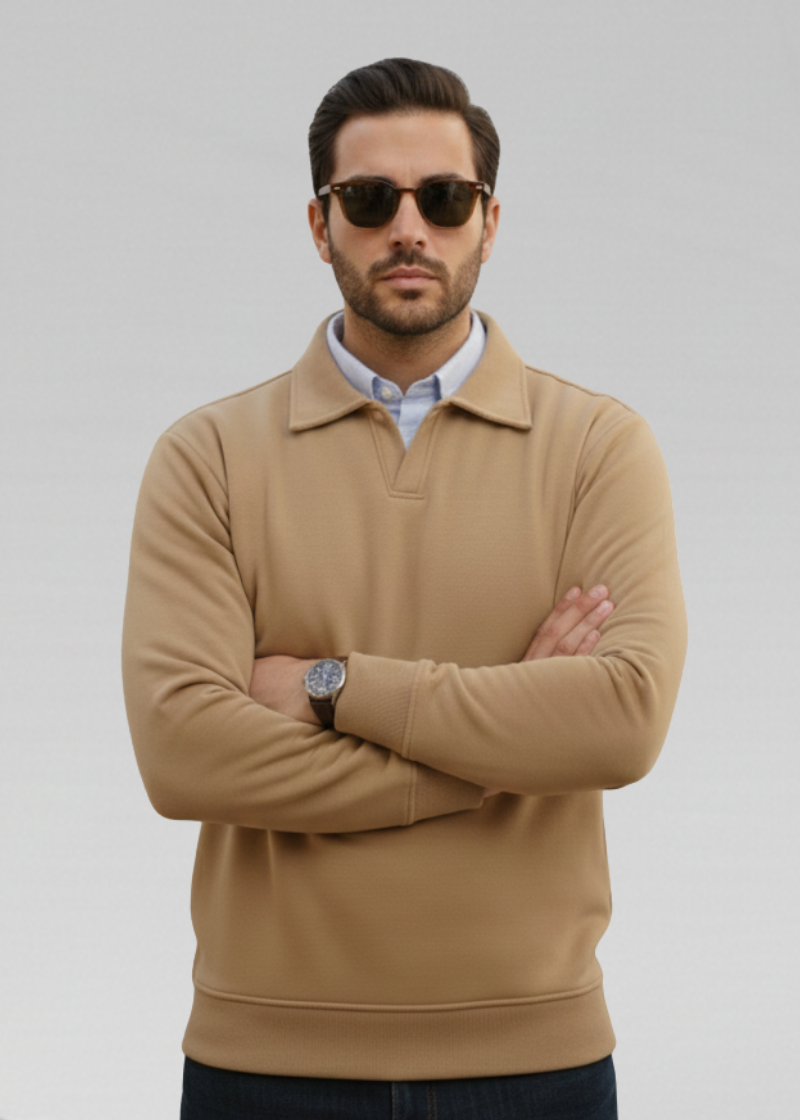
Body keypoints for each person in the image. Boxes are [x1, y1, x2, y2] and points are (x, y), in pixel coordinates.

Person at [122, 57, 686, 1120]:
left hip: (537, 1060)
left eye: (445, 198)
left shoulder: (597, 448)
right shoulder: (208, 457)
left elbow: (620, 722)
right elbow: (182, 751)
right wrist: (495, 758)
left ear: (489, 220)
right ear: (320, 223)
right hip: (263, 1062)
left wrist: (331, 686)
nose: (409, 228)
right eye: (371, 199)